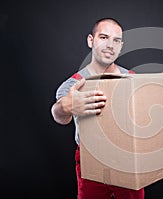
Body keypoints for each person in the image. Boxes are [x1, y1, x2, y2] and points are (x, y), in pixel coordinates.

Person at [51, 18, 145, 199]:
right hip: (90, 159)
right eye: (104, 37)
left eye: (116, 40)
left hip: (127, 158)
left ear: (121, 46)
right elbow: (60, 116)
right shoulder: (74, 84)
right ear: (90, 40)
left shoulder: (133, 80)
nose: (111, 45)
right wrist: (65, 106)